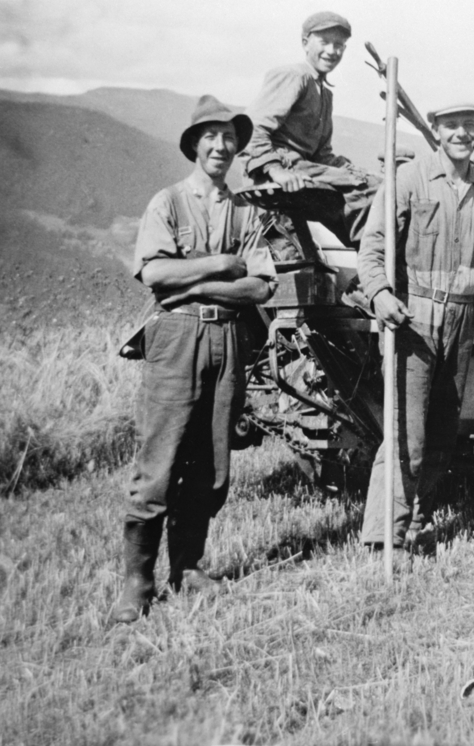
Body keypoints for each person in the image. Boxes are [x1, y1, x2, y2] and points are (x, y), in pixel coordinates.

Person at [110, 96, 276, 624]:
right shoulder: (168, 202)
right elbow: (155, 275)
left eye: (229, 137)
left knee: (211, 461)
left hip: (227, 340)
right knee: (159, 462)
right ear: (193, 144)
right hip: (176, 338)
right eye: (210, 136)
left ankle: (188, 567)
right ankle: (138, 582)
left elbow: (261, 285)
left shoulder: (247, 211)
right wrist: (223, 266)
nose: (221, 146)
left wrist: (202, 281)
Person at [355, 101, 474, 558]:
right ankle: (384, 537)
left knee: (445, 432)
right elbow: (373, 248)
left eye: (470, 126)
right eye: (452, 126)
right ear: (435, 130)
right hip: (415, 319)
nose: (462, 133)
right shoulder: (408, 180)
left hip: (462, 320)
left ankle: (415, 523)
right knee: (407, 432)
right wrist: (379, 293)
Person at [242, 11, 377, 246]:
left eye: (339, 45)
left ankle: (372, 258)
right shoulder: (294, 76)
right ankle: (372, 258)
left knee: (377, 186)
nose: (332, 51)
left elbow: (322, 155)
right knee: (366, 193)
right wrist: (275, 169)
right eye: (324, 42)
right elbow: (252, 128)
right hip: (283, 170)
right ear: (305, 43)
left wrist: (358, 172)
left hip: (306, 169)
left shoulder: (324, 93)